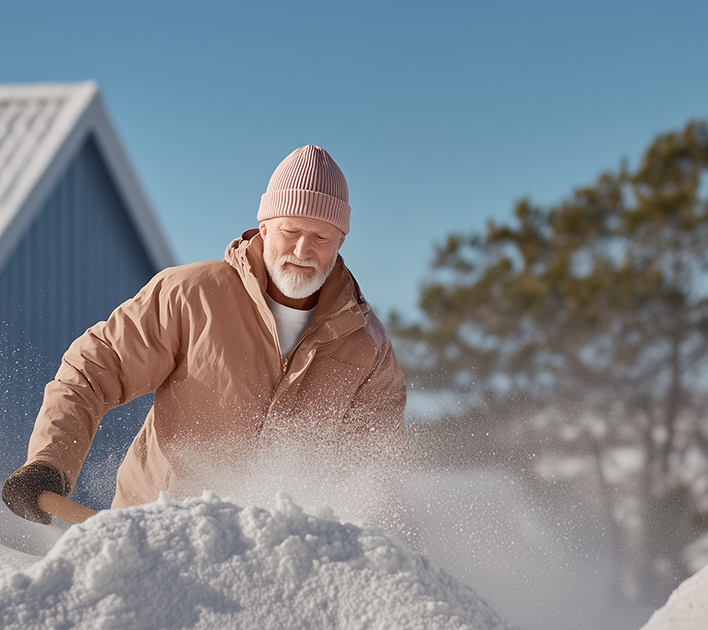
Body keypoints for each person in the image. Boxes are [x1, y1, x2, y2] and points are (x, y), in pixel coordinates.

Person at [2, 145, 407, 524]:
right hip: (153, 543)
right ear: (264, 227)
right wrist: (48, 461)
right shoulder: (190, 296)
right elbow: (92, 369)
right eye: (290, 230)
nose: (302, 250)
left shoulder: (367, 348)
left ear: (341, 240)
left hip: (278, 570)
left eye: (320, 236)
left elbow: (372, 470)